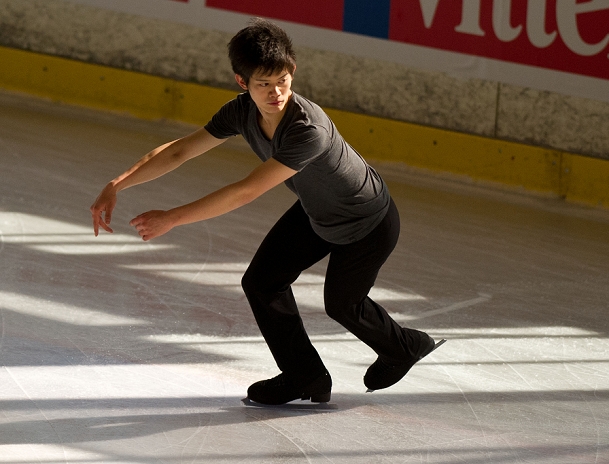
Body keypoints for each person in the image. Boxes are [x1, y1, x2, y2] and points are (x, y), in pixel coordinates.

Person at [90, 18, 439, 405]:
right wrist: (116, 183)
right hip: (316, 211)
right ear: (242, 82)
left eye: (282, 81)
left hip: (368, 221)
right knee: (262, 282)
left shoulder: (308, 130)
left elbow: (246, 191)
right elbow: (179, 151)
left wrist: (172, 217)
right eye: (263, 85)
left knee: (342, 305)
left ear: (292, 73)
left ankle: (405, 346)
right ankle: (305, 376)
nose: (276, 93)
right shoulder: (240, 112)